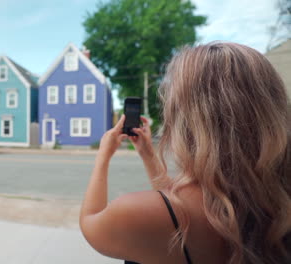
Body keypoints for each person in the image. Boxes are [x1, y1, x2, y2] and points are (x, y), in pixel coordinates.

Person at [79, 42, 290, 264]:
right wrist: (148, 155)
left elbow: (90, 222)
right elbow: (175, 205)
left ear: (184, 121)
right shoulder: (277, 203)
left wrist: (104, 153)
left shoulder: (137, 214)